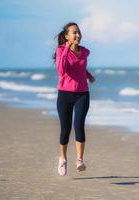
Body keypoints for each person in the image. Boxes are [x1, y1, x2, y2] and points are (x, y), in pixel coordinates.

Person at [53, 22, 96, 176]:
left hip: (82, 94)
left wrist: (89, 76)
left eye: (78, 32)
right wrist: (65, 48)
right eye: (74, 33)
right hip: (64, 95)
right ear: (67, 36)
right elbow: (61, 70)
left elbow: (80, 68)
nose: (78, 35)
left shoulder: (84, 52)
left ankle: (79, 160)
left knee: (79, 125)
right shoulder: (60, 51)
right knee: (66, 129)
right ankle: (63, 159)